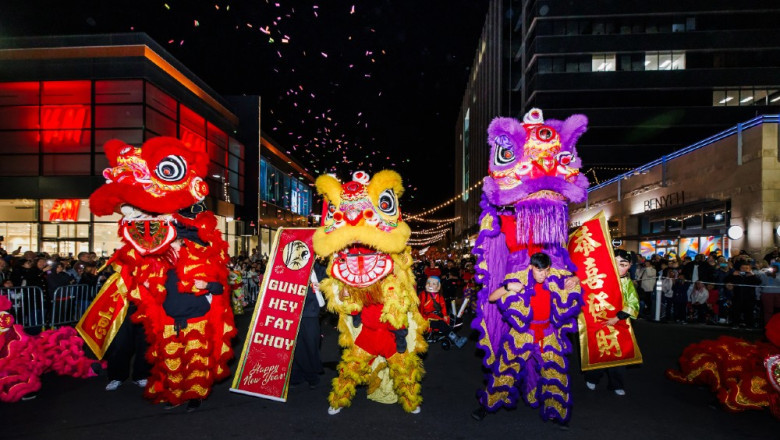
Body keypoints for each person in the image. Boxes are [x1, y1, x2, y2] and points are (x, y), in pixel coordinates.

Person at [473, 252, 580, 424]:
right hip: (523, 335)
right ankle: (487, 405)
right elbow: (492, 297)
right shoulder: (520, 280)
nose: (543, 274)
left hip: (547, 335)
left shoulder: (554, 280)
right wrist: (508, 288)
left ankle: (556, 410)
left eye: (546, 270)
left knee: (555, 372)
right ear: (531, 267)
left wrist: (576, 279)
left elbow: (576, 280)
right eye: (539, 271)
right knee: (504, 370)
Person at [584, 249, 639, 396]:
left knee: (618, 356)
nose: (618, 267)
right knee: (599, 351)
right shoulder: (599, 279)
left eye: (623, 264)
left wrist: (617, 318)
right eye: (614, 263)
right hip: (600, 322)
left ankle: (616, 384)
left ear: (629, 266)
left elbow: (633, 304)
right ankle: (593, 378)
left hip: (619, 324)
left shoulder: (627, 283)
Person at [290, 258, 327, 389]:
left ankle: (311, 374)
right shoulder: (292, 266)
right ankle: (296, 375)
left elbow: (329, 286)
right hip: (292, 311)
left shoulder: (319, 269)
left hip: (311, 312)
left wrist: (322, 286)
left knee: (311, 344)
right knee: (296, 345)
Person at [418, 276, 466, 348]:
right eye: (429, 283)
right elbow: (421, 309)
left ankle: (455, 337)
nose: (430, 285)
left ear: (438, 286)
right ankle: (456, 339)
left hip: (437, 316)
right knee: (441, 324)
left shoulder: (439, 296)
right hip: (426, 318)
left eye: (433, 284)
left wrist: (445, 315)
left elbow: (443, 307)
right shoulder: (423, 295)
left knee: (452, 320)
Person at [725, 262, 761, 329]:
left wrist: (752, 275)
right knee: (736, 311)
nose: (744, 270)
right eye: (743, 268)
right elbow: (726, 280)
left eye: (746, 268)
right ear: (740, 268)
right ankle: (735, 324)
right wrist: (732, 275)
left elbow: (758, 282)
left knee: (749, 312)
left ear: (749, 269)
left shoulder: (752, 276)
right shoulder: (736, 275)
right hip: (737, 296)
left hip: (749, 297)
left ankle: (749, 325)